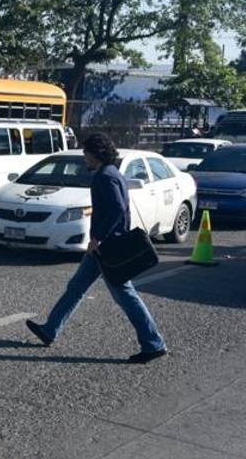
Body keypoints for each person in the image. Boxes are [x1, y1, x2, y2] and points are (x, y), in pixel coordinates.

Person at [25, 133, 167, 364]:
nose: (84, 158)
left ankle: (153, 343)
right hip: (105, 246)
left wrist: (98, 238)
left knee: (125, 295)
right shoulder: (112, 173)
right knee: (76, 287)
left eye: (86, 153)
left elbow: (116, 209)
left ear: (95, 154)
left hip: (108, 247)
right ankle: (50, 329)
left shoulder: (105, 177)